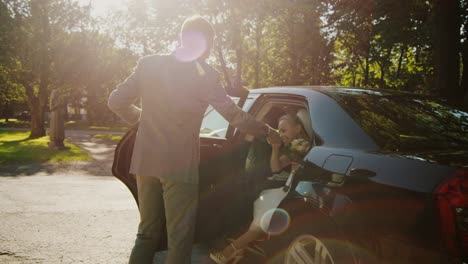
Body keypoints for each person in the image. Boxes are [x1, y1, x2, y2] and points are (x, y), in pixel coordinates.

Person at [107, 16, 280, 264]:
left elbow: (115, 101)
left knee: (147, 232)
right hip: (179, 166)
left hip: (145, 161)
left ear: (181, 36)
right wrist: (269, 132)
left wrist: (142, 121)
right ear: (206, 43)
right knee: (179, 237)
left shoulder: (148, 65)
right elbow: (233, 115)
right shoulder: (205, 75)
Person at [210, 112, 309, 264]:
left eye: (284, 130)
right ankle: (239, 252)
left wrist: (277, 149)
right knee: (258, 225)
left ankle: (228, 252)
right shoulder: (290, 146)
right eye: (279, 131)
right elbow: (276, 167)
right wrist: (276, 148)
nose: (281, 134)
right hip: (280, 188)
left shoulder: (301, 145)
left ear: (298, 128)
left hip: (285, 191)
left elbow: (275, 168)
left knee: (257, 228)